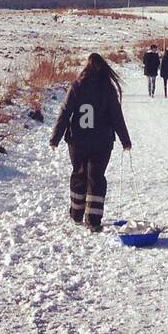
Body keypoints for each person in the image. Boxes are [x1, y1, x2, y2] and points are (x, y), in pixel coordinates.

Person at [49, 53, 131, 233]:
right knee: (96, 177)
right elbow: (117, 117)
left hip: (77, 142)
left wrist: (55, 138)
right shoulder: (108, 89)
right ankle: (93, 220)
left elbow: (65, 112)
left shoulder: (77, 86)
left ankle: (77, 213)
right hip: (102, 143)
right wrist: (125, 140)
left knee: (79, 174)